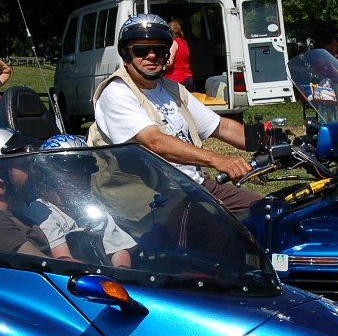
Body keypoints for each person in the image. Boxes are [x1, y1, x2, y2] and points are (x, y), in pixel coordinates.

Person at [88, 13, 260, 218]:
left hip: (194, 186)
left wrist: (272, 142)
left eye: (159, 49)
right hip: (150, 199)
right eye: (141, 49)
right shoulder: (117, 92)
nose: (151, 55)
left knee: (269, 213)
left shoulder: (171, 89)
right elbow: (153, 142)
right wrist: (218, 160)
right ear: (126, 53)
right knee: (223, 238)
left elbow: (221, 127)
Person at [23, 135, 136, 267]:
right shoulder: (42, 211)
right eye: (67, 170)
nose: (77, 176)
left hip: (105, 280)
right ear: (47, 174)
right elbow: (63, 258)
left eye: (82, 169)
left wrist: (121, 272)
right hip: (71, 281)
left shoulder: (90, 209)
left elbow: (119, 248)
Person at [164, 18, 195, 91]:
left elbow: (169, 63)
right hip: (187, 78)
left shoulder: (173, 43)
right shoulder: (184, 42)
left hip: (176, 79)